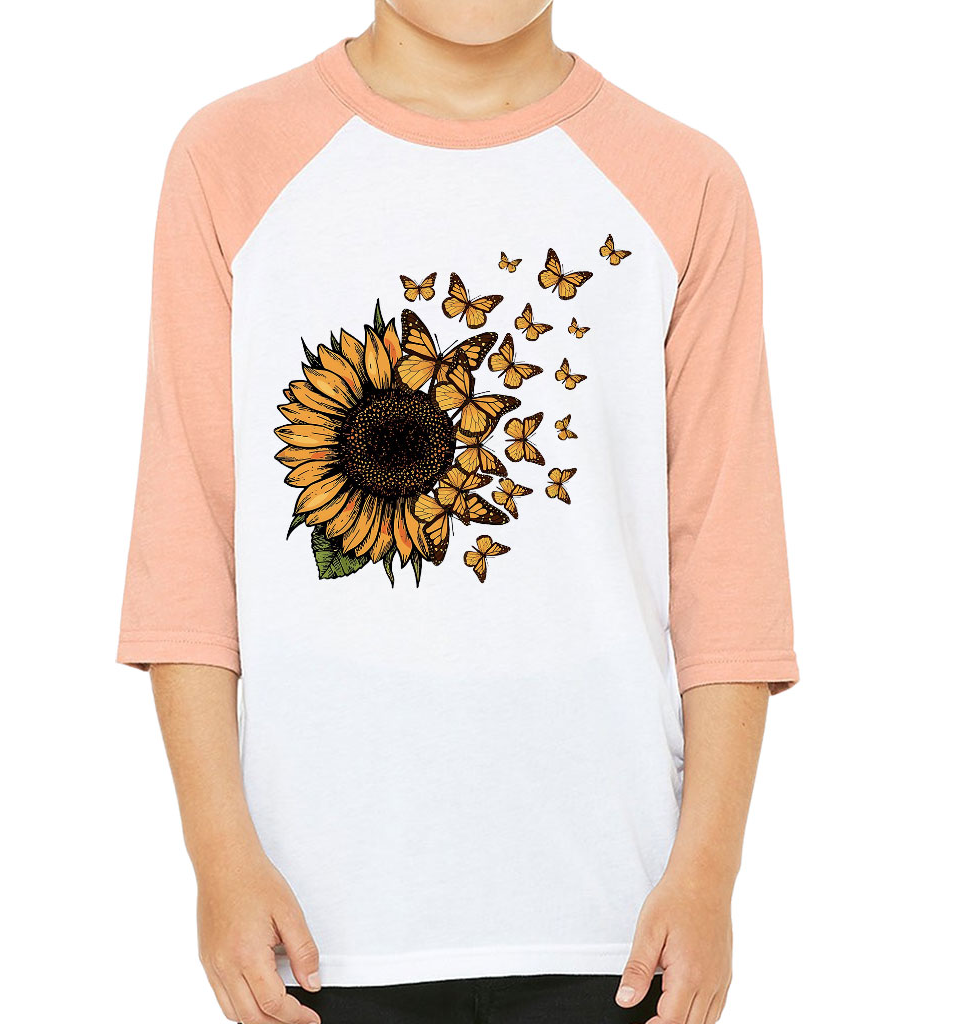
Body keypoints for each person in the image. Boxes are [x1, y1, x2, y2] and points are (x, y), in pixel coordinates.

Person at [116, 3, 799, 1022]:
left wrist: (708, 873)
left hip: (613, 915)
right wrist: (219, 856)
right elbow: (186, 537)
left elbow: (728, 557)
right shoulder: (232, 159)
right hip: (315, 921)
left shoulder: (684, 182)